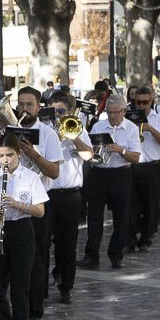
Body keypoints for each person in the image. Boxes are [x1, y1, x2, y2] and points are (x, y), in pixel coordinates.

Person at [0, 87, 62, 320]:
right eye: (21, 104)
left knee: (37, 260)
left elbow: (54, 172)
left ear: (39, 107)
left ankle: (34, 311)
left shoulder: (47, 133)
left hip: (36, 203)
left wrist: (32, 154)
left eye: (30, 105)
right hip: (4, 205)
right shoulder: (10, 131)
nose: (24, 109)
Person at [0, 134, 48, 320]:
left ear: (18, 154)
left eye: (9, 155)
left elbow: (40, 211)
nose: (5, 160)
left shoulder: (30, 177)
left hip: (21, 230)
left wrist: (18, 204)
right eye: (1, 156)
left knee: (20, 289)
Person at [80, 96, 141, 269]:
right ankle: (91, 256)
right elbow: (89, 150)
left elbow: (135, 157)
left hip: (121, 175)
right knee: (94, 217)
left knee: (121, 217)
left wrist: (120, 150)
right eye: (109, 112)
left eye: (116, 112)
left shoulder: (131, 128)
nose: (113, 116)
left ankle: (116, 255)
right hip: (99, 174)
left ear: (124, 111)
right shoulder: (99, 126)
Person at [46, 92, 92, 303]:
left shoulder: (77, 129)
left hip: (71, 196)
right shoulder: (45, 132)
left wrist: (74, 139)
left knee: (68, 243)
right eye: (53, 111)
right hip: (47, 195)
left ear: (70, 112)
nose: (57, 116)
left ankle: (66, 286)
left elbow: (89, 156)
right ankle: (42, 287)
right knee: (44, 243)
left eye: (61, 112)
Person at [129, 87, 160, 251]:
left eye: (145, 102)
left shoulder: (158, 118)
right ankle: (130, 240)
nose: (141, 106)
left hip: (152, 167)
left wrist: (150, 129)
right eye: (138, 102)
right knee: (131, 206)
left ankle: (145, 239)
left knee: (150, 206)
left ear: (151, 101)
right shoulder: (129, 118)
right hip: (132, 165)